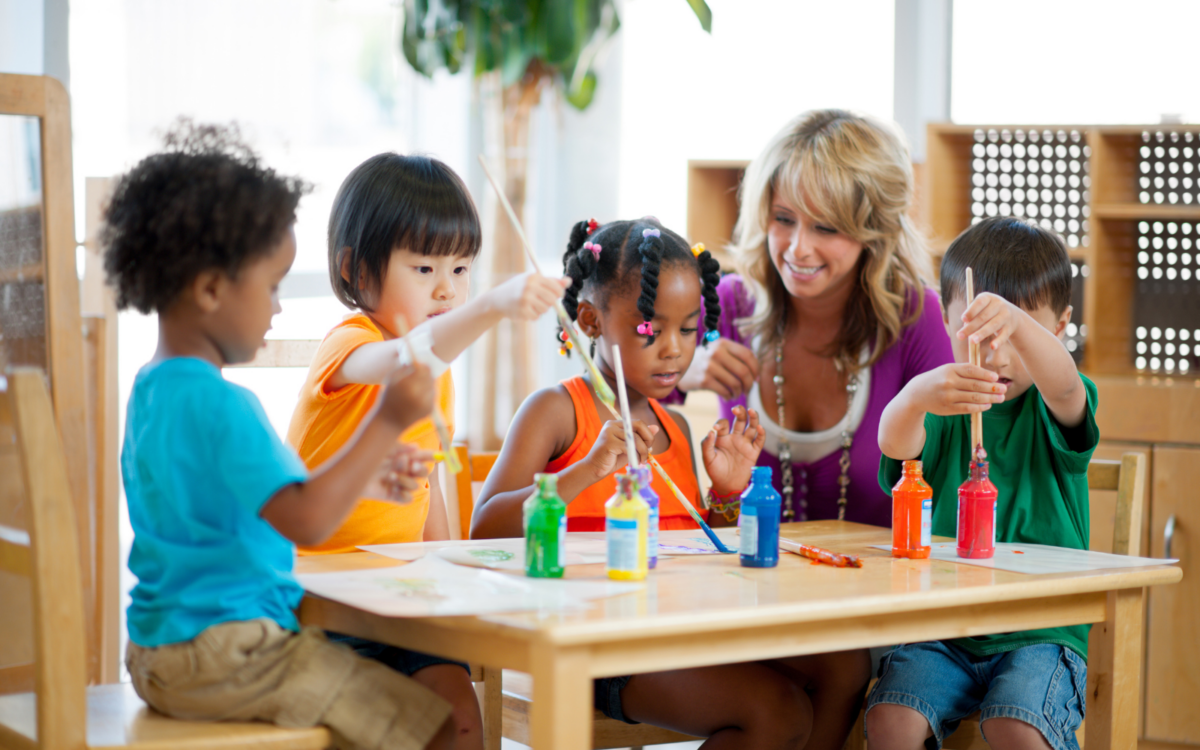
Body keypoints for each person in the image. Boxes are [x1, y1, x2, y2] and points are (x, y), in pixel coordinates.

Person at [107, 122, 455, 749]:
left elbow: (249, 503)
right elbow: (309, 523)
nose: (278, 307)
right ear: (211, 289)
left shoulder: (152, 391)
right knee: (436, 728)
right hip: (229, 651)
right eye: (270, 287)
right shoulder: (222, 404)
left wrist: (369, 472)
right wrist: (386, 421)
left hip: (157, 648)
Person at [472, 218, 869, 750]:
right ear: (589, 320)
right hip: (595, 646)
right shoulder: (555, 412)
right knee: (777, 712)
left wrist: (729, 495)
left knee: (846, 664)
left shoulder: (677, 427)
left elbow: (701, 555)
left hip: (681, 630)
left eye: (688, 330)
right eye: (649, 330)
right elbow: (483, 531)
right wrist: (585, 472)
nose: (673, 350)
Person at [286, 152, 568, 750]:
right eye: (423, 268)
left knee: (461, 720)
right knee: (380, 727)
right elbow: (406, 355)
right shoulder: (352, 344)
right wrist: (490, 305)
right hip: (320, 601)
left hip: (400, 594)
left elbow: (427, 486)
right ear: (356, 270)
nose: (448, 288)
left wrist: (451, 567)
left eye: (463, 269)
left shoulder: (437, 372)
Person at [869, 216, 1097, 750]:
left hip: (1042, 630)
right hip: (943, 631)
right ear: (946, 323)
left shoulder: (1053, 401)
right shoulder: (943, 405)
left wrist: (1015, 321)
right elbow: (894, 447)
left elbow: (1064, 384)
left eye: (1015, 335)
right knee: (891, 720)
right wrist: (912, 398)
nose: (993, 353)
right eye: (975, 333)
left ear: (1059, 326)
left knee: (1014, 721)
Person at [674, 109, 953, 527]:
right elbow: (617, 410)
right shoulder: (725, 304)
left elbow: (951, 471)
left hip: (882, 588)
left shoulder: (914, 317)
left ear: (873, 231)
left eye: (825, 227)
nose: (797, 249)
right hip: (750, 580)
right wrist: (679, 372)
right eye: (784, 219)